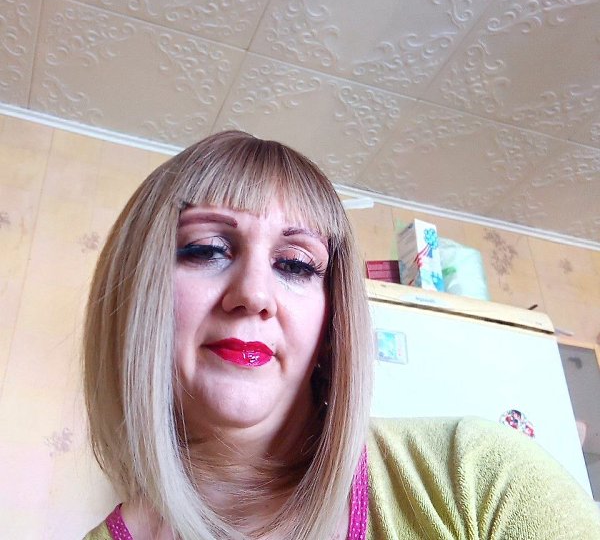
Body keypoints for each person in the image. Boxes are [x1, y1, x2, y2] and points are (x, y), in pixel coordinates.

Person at [83, 131, 600, 540]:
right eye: (206, 249)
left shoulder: (479, 477)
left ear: (332, 325)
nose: (254, 294)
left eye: (294, 264)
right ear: (138, 293)